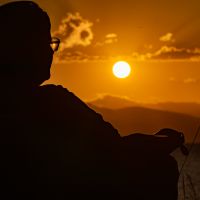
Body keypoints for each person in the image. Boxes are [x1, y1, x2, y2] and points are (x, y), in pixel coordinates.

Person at [0, 1, 184, 199]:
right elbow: (116, 147)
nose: (50, 52)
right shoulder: (53, 102)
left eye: (51, 43)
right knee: (162, 167)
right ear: (23, 47)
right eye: (45, 43)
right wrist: (170, 140)